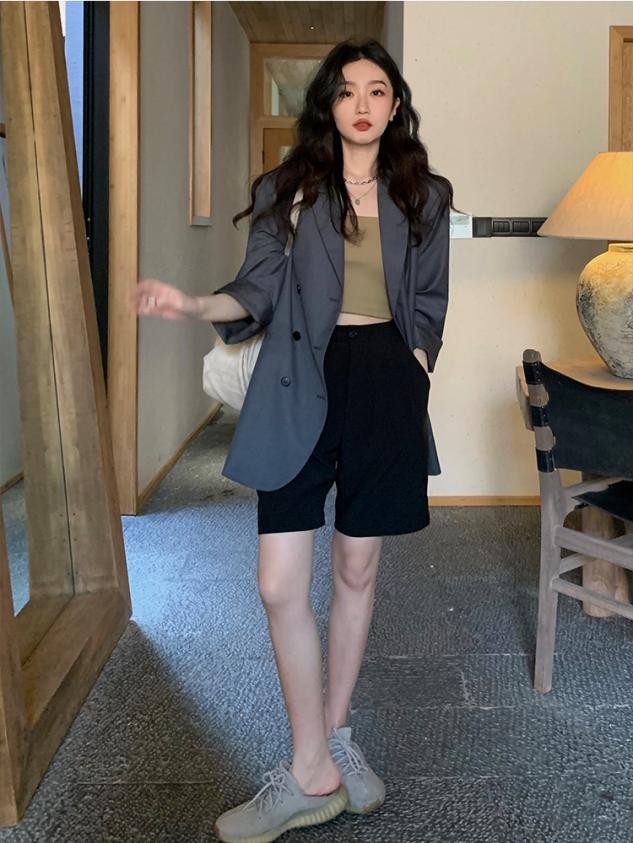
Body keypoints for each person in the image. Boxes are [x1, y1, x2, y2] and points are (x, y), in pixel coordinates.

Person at [135, 38, 454, 843]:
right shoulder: (288, 187)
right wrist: (192, 305)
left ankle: (331, 740)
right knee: (280, 583)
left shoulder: (423, 192)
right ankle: (311, 763)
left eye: (376, 90)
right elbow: (257, 287)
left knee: (356, 567)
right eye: (345, 91)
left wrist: (415, 365)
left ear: (394, 104)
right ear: (327, 104)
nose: (361, 104)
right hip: (297, 375)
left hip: (383, 381)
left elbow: (429, 299)